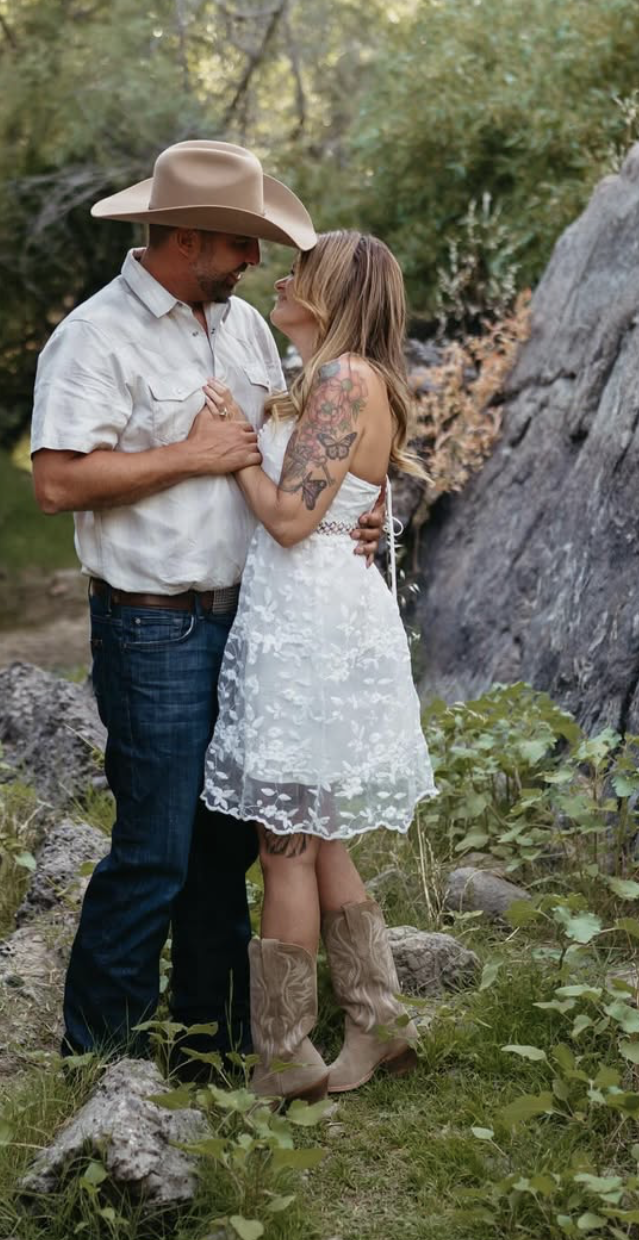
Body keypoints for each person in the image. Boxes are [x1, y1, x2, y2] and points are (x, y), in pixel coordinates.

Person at [30, 141, 384, 1060]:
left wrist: (359, 508)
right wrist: (192, 454)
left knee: (227, 850)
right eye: (242, 246)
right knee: (155, 848)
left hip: (256, 624)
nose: (258, 264)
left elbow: (291, 454)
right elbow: (59, 483)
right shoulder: (94, 336)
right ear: (188, 238)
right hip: (154, 625)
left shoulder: (244, 331)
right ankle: (99, 1060)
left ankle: (213, 1047)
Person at [200, 230, 438, 1102]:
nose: (281, 277)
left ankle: (285, 1052)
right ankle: (378, 1021)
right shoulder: (340, 382)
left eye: (299, 272)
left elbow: (292, 521)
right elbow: (350, 504)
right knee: (320, 836)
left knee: (284, 852)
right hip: (321, 618)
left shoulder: (342, 381)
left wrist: (229, 453)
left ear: (328, 294)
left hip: (309, 632)